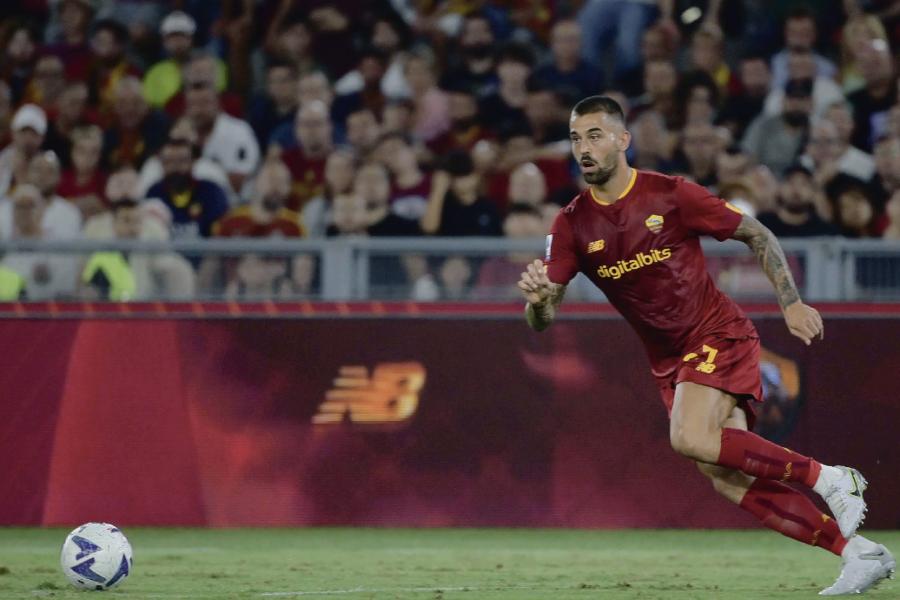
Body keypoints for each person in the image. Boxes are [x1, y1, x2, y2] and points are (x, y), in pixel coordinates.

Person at [519, 95, 895, 595]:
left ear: (622, 140)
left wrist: (791, 304)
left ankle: (829, 477)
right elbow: (542, 320)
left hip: (717, 333)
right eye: (574, 139)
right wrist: (540, 299)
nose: (583, 148)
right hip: (670, 361)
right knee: (726, 477)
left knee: (688, 436)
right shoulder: (570, 224)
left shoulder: (670, 195)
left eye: (594, 135)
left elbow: (757, 234)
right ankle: (858, 554)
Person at [757, 164, 838, 237]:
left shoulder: (824, 232)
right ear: (780, 188)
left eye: (804, 184)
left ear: (813, 192)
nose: (796, 189)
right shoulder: (762, 225)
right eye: (791, 183)